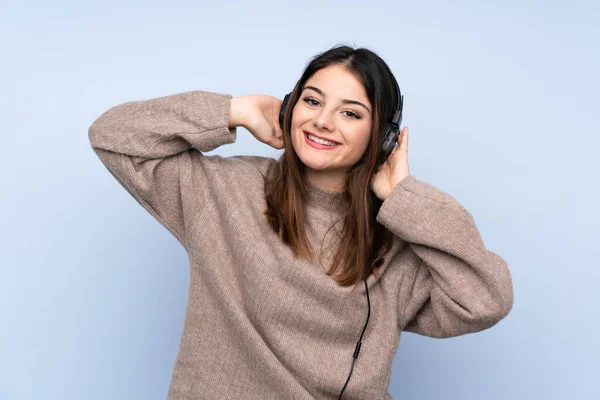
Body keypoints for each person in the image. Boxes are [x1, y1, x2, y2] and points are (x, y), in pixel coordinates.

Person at [88, 44, 514, 400]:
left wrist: (407, 198)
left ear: (383, 138)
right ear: (291, 107)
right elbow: (111, 135)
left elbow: (486, 299)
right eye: (311, 101)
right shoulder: (223, 190)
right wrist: (232, 110)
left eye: (351, 113)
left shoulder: (400, 233)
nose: (323, 121)